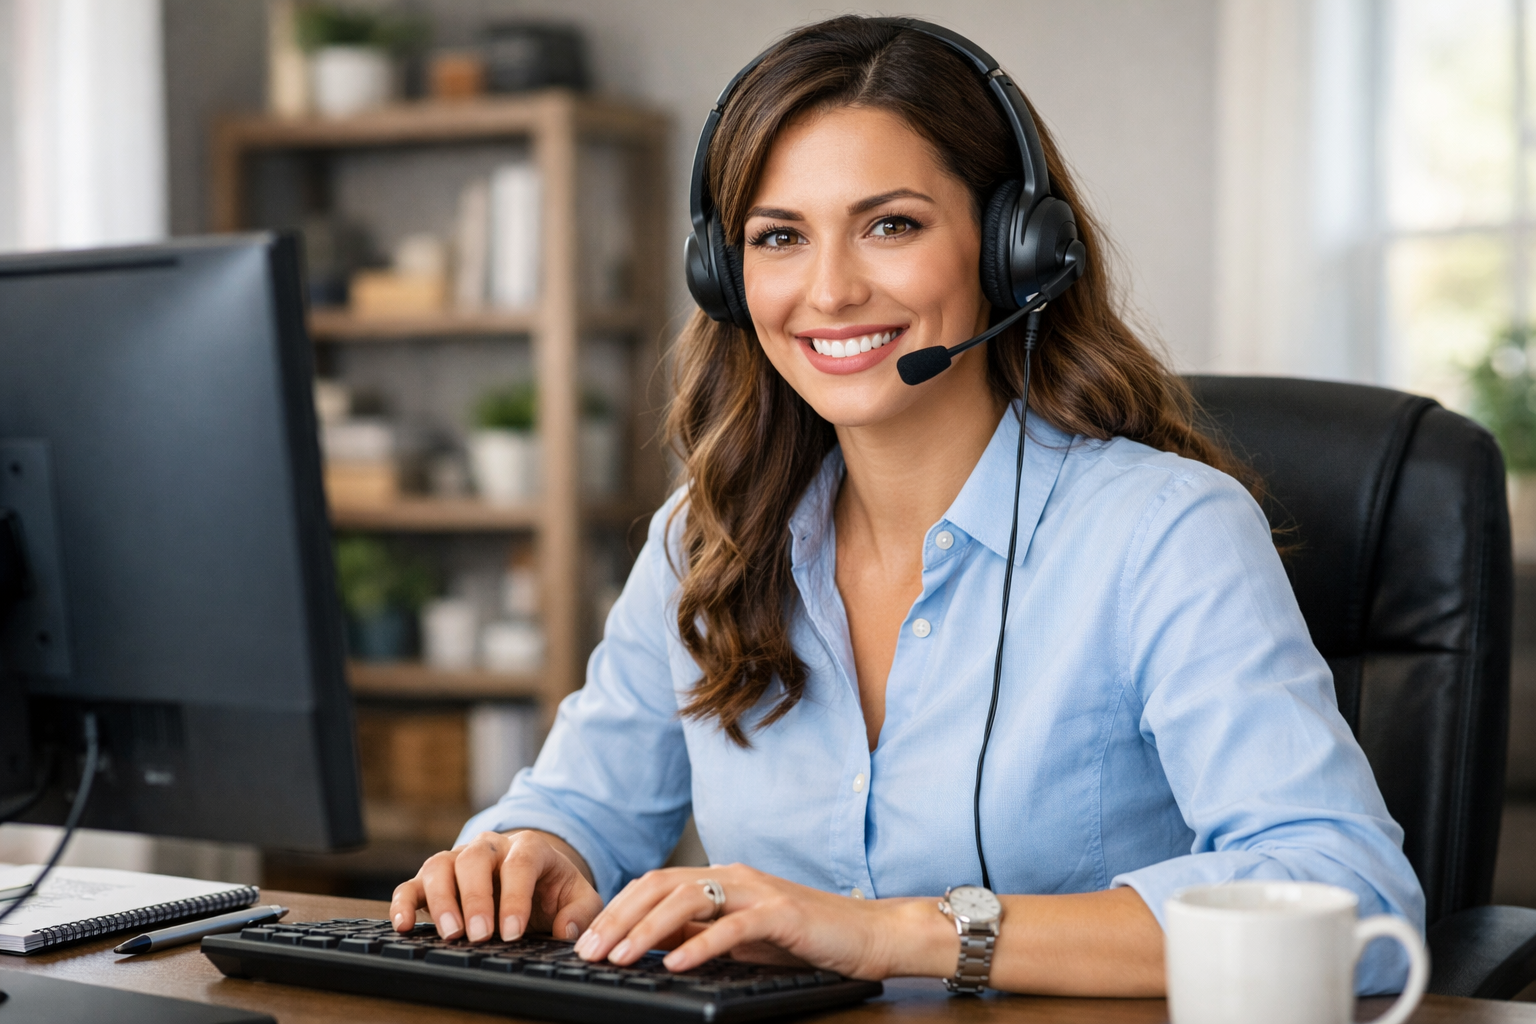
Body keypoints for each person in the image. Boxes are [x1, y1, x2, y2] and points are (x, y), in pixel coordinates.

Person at [390, 15, 1423, 996]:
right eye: (779, 237)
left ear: (1014, 248)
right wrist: (526, 858)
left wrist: (897, 931)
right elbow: (580, 804)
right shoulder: (706, 537)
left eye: (889, 224)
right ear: (724, 275)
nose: (830, 291)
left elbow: (1348, 893)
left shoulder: (1163, 533)